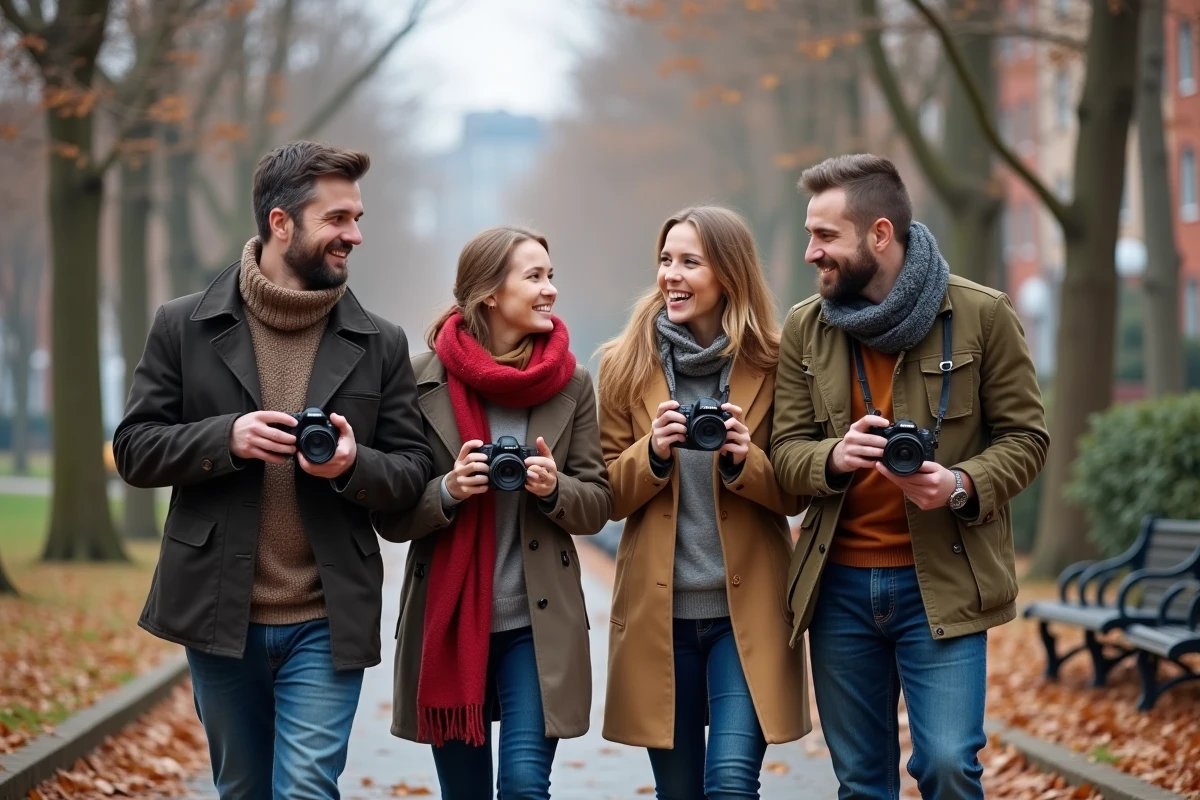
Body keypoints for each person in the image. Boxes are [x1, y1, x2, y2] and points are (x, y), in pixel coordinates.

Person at [113, 141, 433, 800]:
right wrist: (224, 438)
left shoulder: (382, 341)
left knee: (307, 788)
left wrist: (352, 463)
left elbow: (411, 472)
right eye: (337, 219)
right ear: (280, 222)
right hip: (217, 612)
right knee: (243, 789)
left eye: (357, 218)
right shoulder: (182, 325)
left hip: (328, 615)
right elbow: (135, 449)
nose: (355, 235)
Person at [771, 154, 1049, 800]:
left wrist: (960, 484)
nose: (811, 253)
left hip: (944, 581)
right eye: (809, 234)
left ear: (879, 235)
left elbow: (1027, 438)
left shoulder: (982, 314)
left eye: (825, 235)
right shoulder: (806, 328)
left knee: (948, 765)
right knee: (862, 782)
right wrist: (832, 458)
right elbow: (784, 452)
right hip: (838, 587)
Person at [374, 226, 612, 799]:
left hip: (538, 624)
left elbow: (596, 505)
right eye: (535, 277)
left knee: (525, 785)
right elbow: (392, 517)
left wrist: (555, 488)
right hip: (450, 623)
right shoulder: (417, 379)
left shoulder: (572, 383)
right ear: (489, 294)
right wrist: (448, 489)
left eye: (551, 275)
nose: (550, 289)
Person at [597, 206, 809, 799]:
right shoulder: (622, 364)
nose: (671, 274)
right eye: (666, 259)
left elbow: (797, 489)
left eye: (690, 262)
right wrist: (652, 453)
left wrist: (745, 459)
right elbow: (606, 495)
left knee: (731, 784)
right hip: (658, 617)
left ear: (729, 275)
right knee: (681, 793)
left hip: (749, 612)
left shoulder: (776, 362)